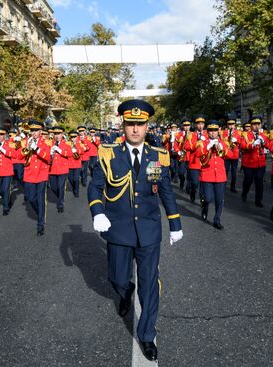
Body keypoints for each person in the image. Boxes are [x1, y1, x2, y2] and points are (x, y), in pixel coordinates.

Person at [88, 99, 183, 362]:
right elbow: (95, 187)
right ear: (123, 125)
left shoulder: (157, 156)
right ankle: (125, 291)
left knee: (150, 284)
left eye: (140, 124)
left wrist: (175, 223)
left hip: (150, 231)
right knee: (117, 279)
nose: (135, 129)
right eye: (130, 124)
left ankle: (146, 335)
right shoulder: (109, 153)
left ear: (147, 126)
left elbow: (164, 191)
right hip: (118, 230)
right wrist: (97, 212)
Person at [195, 121, 229, 229]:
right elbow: (197, 154)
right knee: (208, 198)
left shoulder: (223, 142)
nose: (213, 133)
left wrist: (222, 149)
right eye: (210, 131)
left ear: (218, 131)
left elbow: (232, 155)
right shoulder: (202, 142)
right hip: (207, 175)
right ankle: (205, 206)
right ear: (207, 131)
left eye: (215, 130)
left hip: (220, 176)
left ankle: (217, 220)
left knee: (219, 200)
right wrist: (208, 146)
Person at [19, 122, 51, 236]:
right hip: (29, 174)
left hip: (41, 173)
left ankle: (40, 224)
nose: (34, 133)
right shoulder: (26, 141)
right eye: (32, 131)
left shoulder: (46, 142)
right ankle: (40, 213)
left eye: (36, 131)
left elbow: (48, 157)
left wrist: (36, 148)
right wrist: (26, 148)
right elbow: (19, 156)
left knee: (41, 199)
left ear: (40, 131)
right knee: (31, 198)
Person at [240, 116, 268, 207]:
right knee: (248, 180)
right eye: (254, 124)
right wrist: (252, 145)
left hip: (260, 163)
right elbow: (243, 146)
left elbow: (269, 146)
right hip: (249, 163)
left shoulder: (264, 134)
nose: (257, 126)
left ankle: (258, 200)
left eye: (258, 124)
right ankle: (245, 192)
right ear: (251, 125)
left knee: (259, 182)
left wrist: (264, 141)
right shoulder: (245, 134)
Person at [0, 127, 15, 216]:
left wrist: (3, 150)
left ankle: (6, 207)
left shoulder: (10, 144)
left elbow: (13, 154)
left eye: (1, 134)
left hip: (7, 171)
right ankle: (7, 198)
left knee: (5, 189)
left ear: (5, 135)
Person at [184, 115, 207, 202]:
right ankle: (193, 192)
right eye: (198, 124)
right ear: (195, 125)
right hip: (194, 162)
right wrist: (196, 144)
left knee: (204, 183)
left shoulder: (208, 134)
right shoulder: (191, 135)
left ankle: (202, 199)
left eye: (202, 124)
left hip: (205, 162)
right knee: (195, 183)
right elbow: (186, 146)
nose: (200, 126)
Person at [48, 126, 71, 213]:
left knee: (61, 187)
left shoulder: (67, 143)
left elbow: (70, 154)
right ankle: (60, 197)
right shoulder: (50, 143)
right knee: (53, 187)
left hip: (62, 169)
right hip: (52, 169)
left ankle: (60, 204)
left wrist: (60, 150)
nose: (57, 136)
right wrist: (50, 153)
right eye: (55, 134)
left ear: (62, 134)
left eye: (59, 134)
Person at [221, 118, 241, 193]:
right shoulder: (223, 132)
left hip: (235, 155)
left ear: (235, 125)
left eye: (232, 124)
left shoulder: (238, 133)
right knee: (225, 171)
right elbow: (221, 141)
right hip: (226, 154)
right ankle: (223, 185)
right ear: (227, 125)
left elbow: (241, 142)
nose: (231, 126)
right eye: (229, 124)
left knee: (234, 172)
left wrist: (237, 140)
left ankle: (233, 187)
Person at [174, 118, 192, 191]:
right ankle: (182, 180)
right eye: (185, 125)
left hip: (190, 156)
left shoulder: (193, 134)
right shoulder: (178, 134)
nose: (186, 127)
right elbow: (175, 145)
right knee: (181, 173)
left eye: (188, 125)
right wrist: (178, 151)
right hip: (182, 157)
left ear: (190, 126)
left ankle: (188, 186)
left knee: (190, 174)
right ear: (182, 126)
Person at [67, 130, 84, 197]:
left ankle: (76, 191)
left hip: (77, 164)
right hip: (69, 164)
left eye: (74, 137)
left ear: (77, 137)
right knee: (70, 179)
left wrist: (76, 150)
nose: (73, 138)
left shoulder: (79, 143)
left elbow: (82, 151)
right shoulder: (67, 143)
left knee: (76, 179)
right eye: (72, 137)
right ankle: (74, 187)